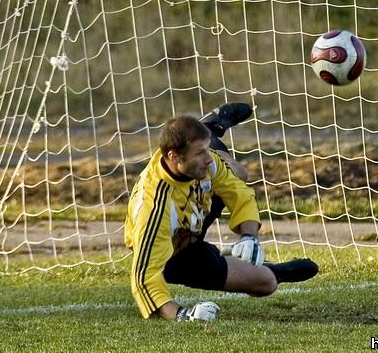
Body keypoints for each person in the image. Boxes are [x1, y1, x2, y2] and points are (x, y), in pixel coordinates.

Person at [124, 103, 318, 321]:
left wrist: (249, 237)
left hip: (192, 223)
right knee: (267, 281)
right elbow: (144, 277)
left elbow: (240, 194)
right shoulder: (153, 209)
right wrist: (181, 315)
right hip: (173, 254)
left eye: (207, 150)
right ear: (175, 156)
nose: (208, 158)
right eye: (200, 152)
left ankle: (209, 130)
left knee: (239, 175)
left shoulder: (207, 163)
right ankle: (274, 270)